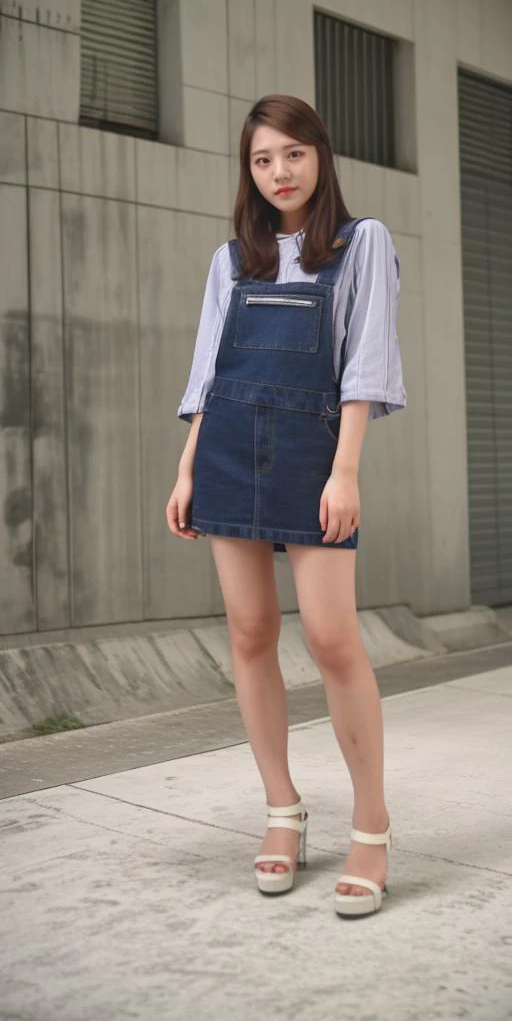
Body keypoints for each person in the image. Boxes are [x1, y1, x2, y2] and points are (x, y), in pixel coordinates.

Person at [166, 94, 406, 919]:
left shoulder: (360, 243)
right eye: (262, 160)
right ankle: (282, 811)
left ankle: (371, 827)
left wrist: (345, 473)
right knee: (249, 633)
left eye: (292, 155)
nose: (279, 174)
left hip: (314, 456)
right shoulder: (233, 258)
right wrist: (187, 470)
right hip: (228, 448)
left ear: (320, 154)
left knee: (336, 639)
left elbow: (365, 368)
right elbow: (206, 379)